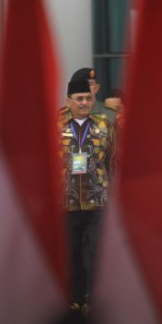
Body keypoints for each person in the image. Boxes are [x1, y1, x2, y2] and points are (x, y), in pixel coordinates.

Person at [61, 78, 116, 304]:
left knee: (95, 259)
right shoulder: (55, 125)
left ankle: (96, 308)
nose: (84, 103)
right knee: (70, 259)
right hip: (66, 203)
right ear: (68, 101)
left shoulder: (104, 126)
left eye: (88, 98)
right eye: (79, 99)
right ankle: (74, 307)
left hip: (98, 203)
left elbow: (114, 162)